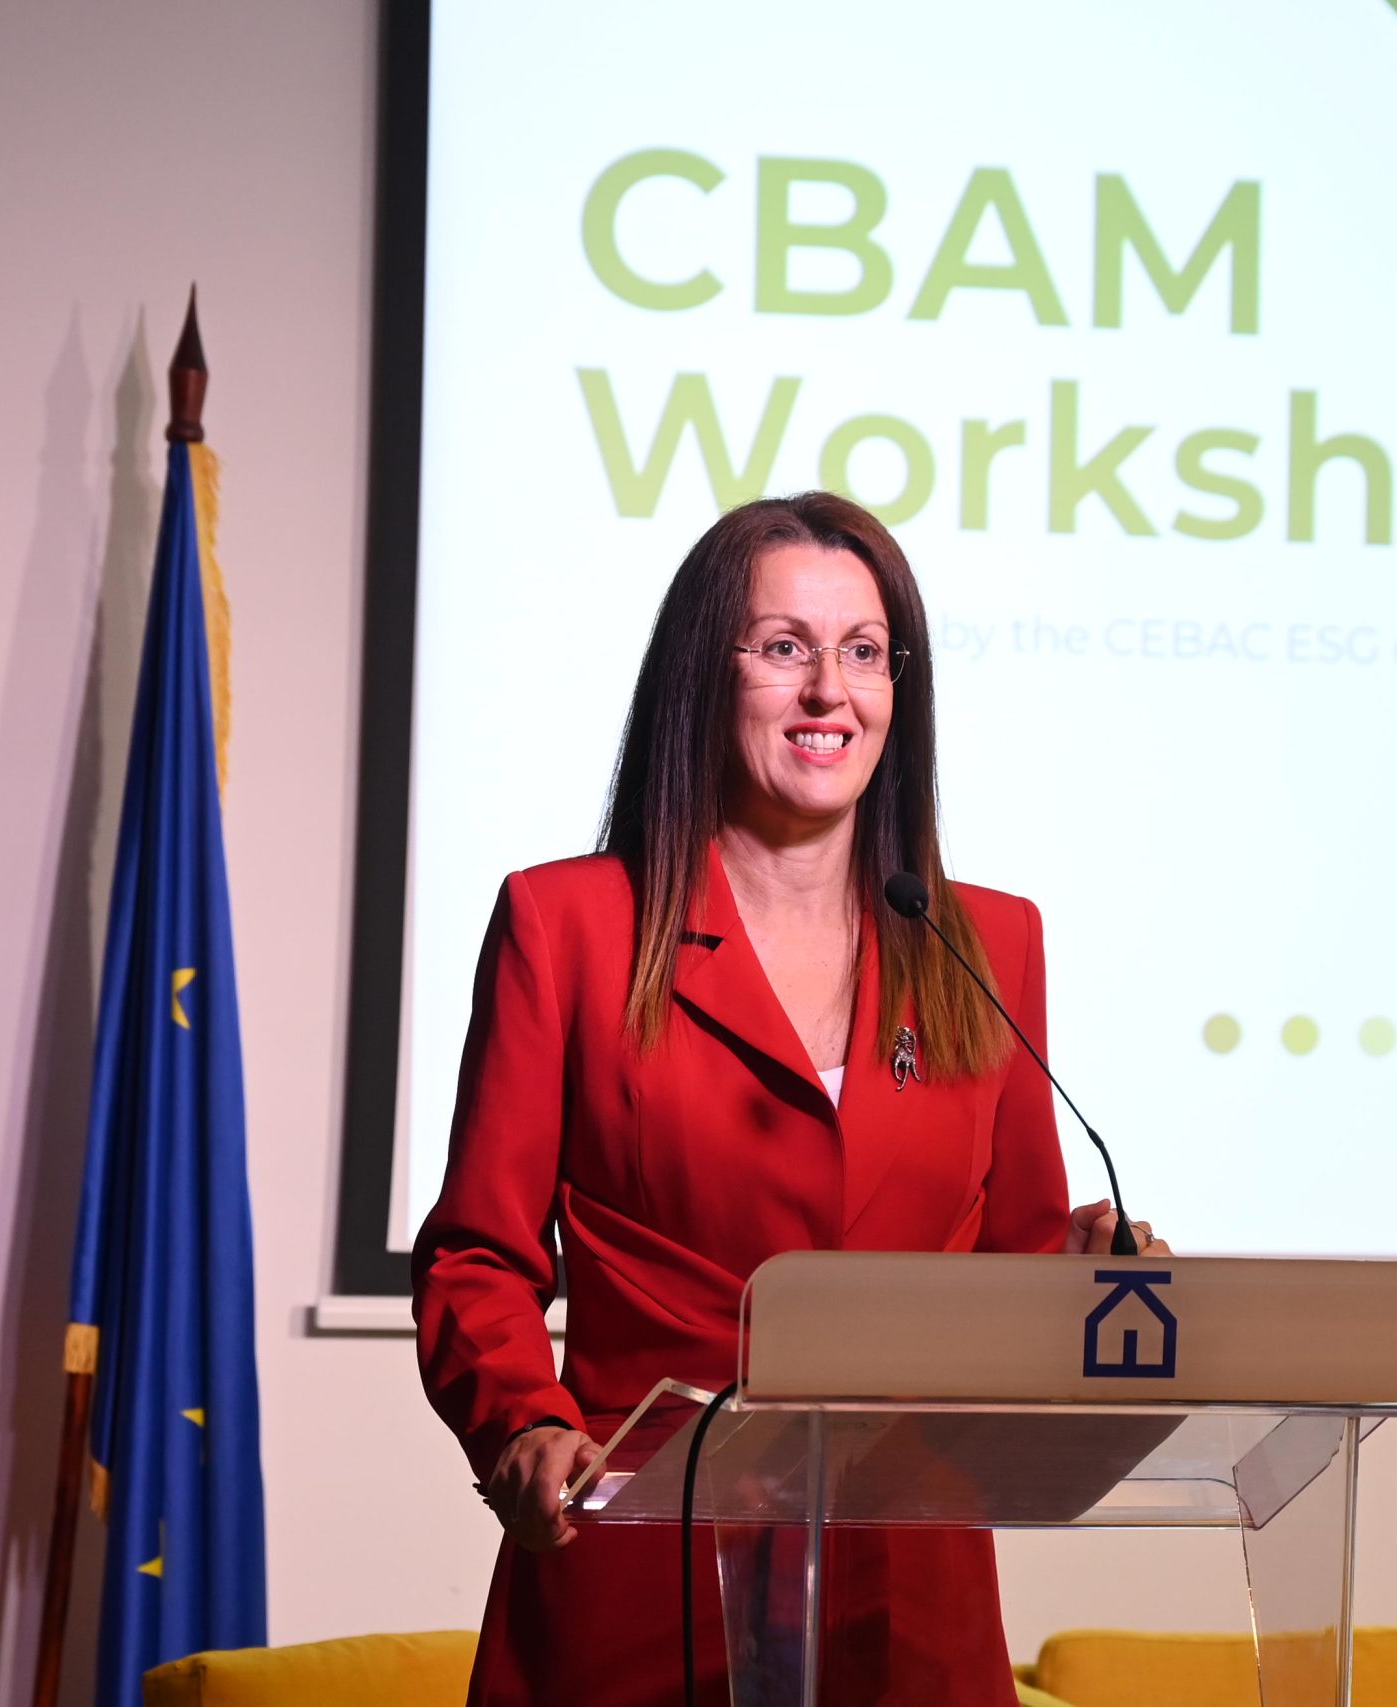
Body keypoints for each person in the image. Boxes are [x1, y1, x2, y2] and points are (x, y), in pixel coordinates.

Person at [412, 492, 1159, 1706]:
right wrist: (523, 1424)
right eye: (783, 647)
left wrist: (1082, 1275)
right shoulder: (570, 926)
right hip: (641, 1560)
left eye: (863, 652)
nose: (829, 691)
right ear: (704, 675)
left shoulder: (989, 943)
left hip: (907, 1589)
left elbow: (1016, 1264)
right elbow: (477, 1254)